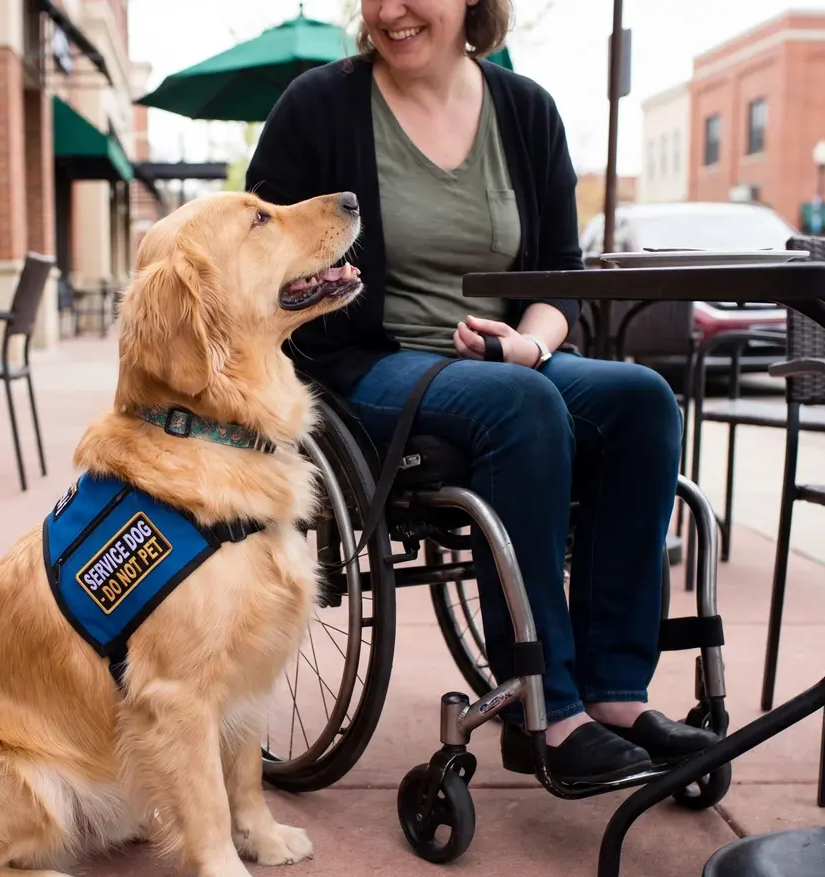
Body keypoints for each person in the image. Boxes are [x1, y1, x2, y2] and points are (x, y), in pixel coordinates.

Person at [244, 0, 718, 785]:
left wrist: (528, 346)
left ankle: (613, 695)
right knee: (522, 406)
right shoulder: (320, 107)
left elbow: (558, 277)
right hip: (370, 365)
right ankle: (546, 710)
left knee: (641, 400)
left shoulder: (526, 111)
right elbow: (258, 250)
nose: (390, 10)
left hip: (507, 358)